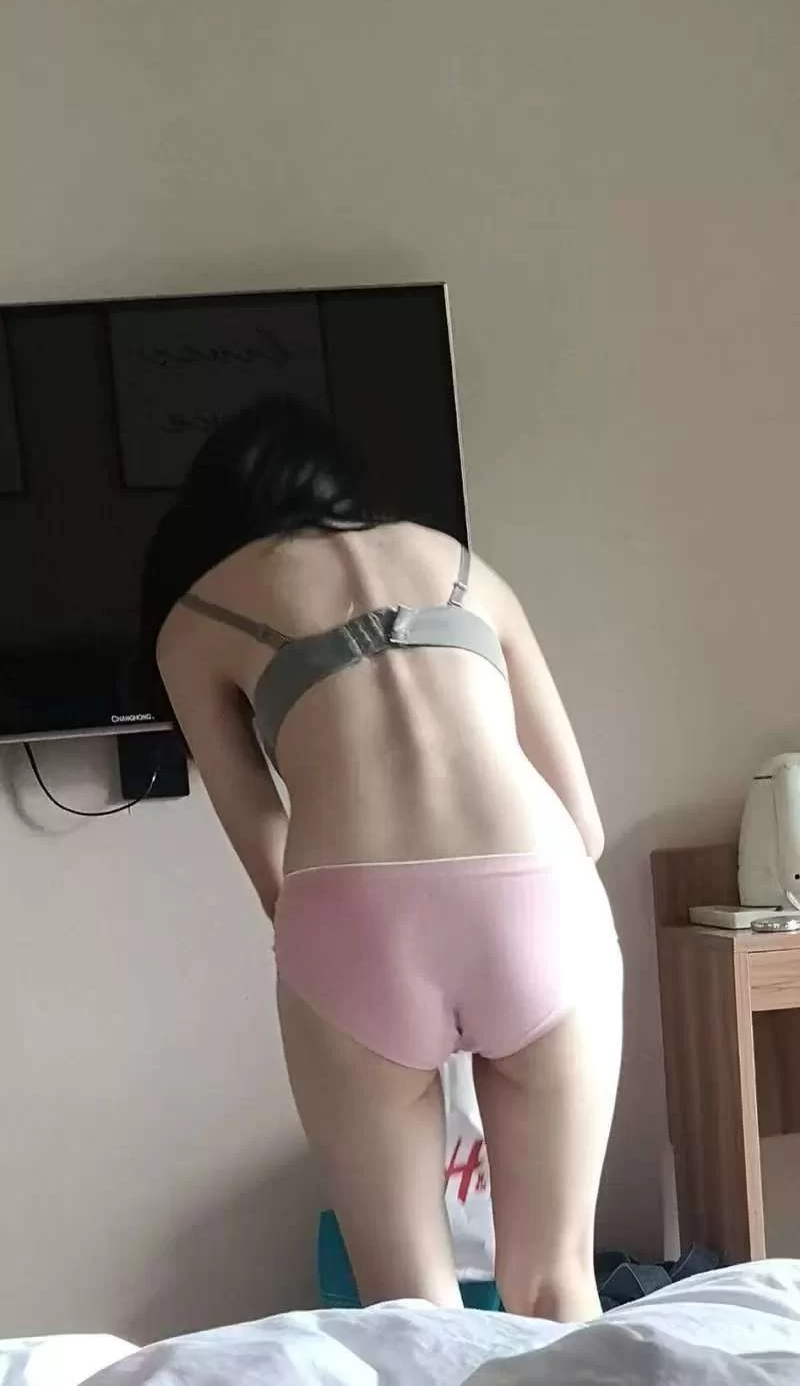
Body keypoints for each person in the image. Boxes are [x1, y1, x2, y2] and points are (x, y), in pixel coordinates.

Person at [140, 393, 623, 1321]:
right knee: (556, 1281)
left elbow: (273, 873)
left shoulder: (191, 620)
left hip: (358, 923)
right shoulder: (467, 568)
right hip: (543, 899)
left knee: (410, 1310)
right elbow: (586, 825)